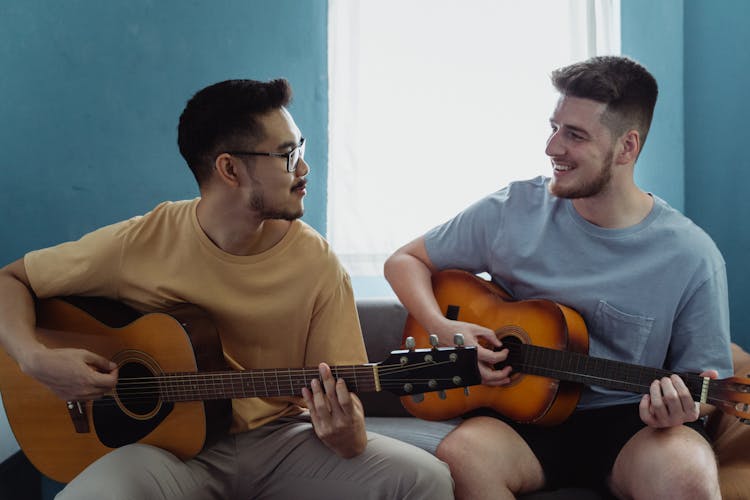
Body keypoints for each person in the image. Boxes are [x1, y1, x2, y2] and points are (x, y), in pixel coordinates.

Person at [0, 78, 453, 499]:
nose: (304, 168)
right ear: (230, 169)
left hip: (281, 441)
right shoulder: (142, 242)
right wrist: (35, 358)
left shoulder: (317, 263)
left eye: (301, 149)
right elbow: (10, 280)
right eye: (288, 155)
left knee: (425, 480)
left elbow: (347, 417)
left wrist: (346, 432)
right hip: (166, 453)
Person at [384, 56, 733, 500]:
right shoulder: (511, 210)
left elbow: (709, 384)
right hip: (522, 419)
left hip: (633, 425)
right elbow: (405, 260)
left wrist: (681, 408)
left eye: (575, 135)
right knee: (464, 456)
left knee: (688, 475)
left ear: (627, 148)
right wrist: (441, 325)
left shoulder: (691, 255)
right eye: (553, 127)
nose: (552, 147)